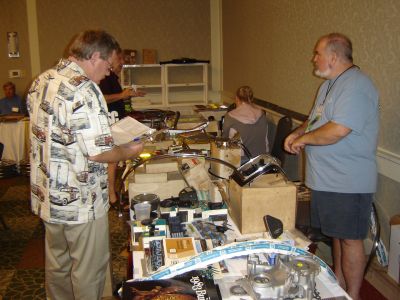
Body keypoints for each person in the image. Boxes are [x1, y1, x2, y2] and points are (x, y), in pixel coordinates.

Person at [27, 29, 144, 300]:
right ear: (94, 57)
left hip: (49, 196)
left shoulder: (41, 80)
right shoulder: (85, 89)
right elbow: (99, 154)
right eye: (107, 66)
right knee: (88, 270)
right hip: (81, 200)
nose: (108, 73)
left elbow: (61, 134)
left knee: (57, 265)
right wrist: (132, 149)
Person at [284, 33, 379, 300]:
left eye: (317, 53)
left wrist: (303, 138)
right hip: (326, 179)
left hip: (347, 180)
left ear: (334, 57)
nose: (313, 58)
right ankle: (337, 285)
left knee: (350, 239)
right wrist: (297, 132)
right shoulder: (329, 86)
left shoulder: (357, 85)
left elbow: (338, 130)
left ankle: (354, 294)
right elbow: (316, 121)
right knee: (336, 236)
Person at [99, 47, 145, 204]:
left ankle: (114, 193)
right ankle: (111, 196)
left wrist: (128, 94)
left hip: (117, 121)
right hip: (110, 123)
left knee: (114, 161)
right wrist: (121, 95)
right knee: (111, 161)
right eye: (120, 59)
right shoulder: (105, 78)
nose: (123, 63)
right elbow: (102, 99)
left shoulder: (112, 77)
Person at [222, 85, 269, 164]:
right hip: (262, 159)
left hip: (241, 161)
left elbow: (225, 140)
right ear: (251, 99)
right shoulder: (262, 114)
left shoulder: (230, 116)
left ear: (236, 98)